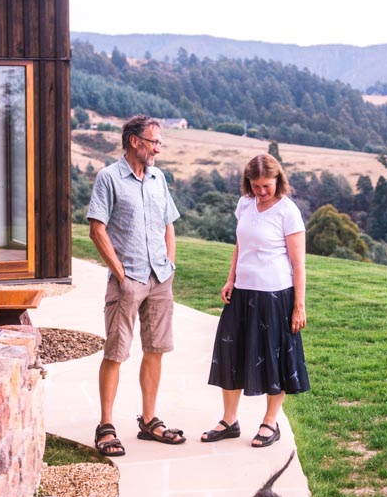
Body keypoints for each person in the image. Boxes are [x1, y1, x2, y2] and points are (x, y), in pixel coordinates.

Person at [87, 114, 186, 456]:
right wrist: (120, 274)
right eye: (153, 141)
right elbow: (97, 229)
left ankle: (149, 420)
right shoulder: (109, 178)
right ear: (134, 141)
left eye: (159, 142)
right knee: (116, 351)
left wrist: (169, 263)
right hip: (128, 279)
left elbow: (168, 223)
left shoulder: (158, 178)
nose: (158, 148)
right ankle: (105, 426)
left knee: (155, 349)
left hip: (160, 279)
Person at [202, 153, 310, 448]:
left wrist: (299, 306)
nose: (261, 192)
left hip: (276, 296)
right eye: (256, 186)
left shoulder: (288, 212)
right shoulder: (244, 205)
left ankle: (270, 422)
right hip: (242, 293)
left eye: (267, 186)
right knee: (231, 354)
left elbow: (298, 264)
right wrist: (230, 278)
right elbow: (241, 244)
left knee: (275, 358)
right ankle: (229, 420)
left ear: (278, 180)